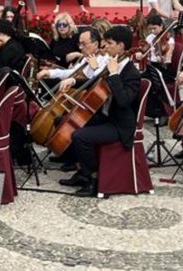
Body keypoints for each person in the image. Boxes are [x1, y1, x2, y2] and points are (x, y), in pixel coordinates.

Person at [60, 25, 141, 196]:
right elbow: (94, 81)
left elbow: (124, 101)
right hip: (106, 116)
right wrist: (73, 81)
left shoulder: (131, 72)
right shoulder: (113, 63)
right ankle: (82, 171)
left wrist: (113, 75)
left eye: (110, 43)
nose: (106, 46)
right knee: (68, 122)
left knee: (80, 136)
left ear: (121, 46)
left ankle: (94, 181)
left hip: (119, 125)